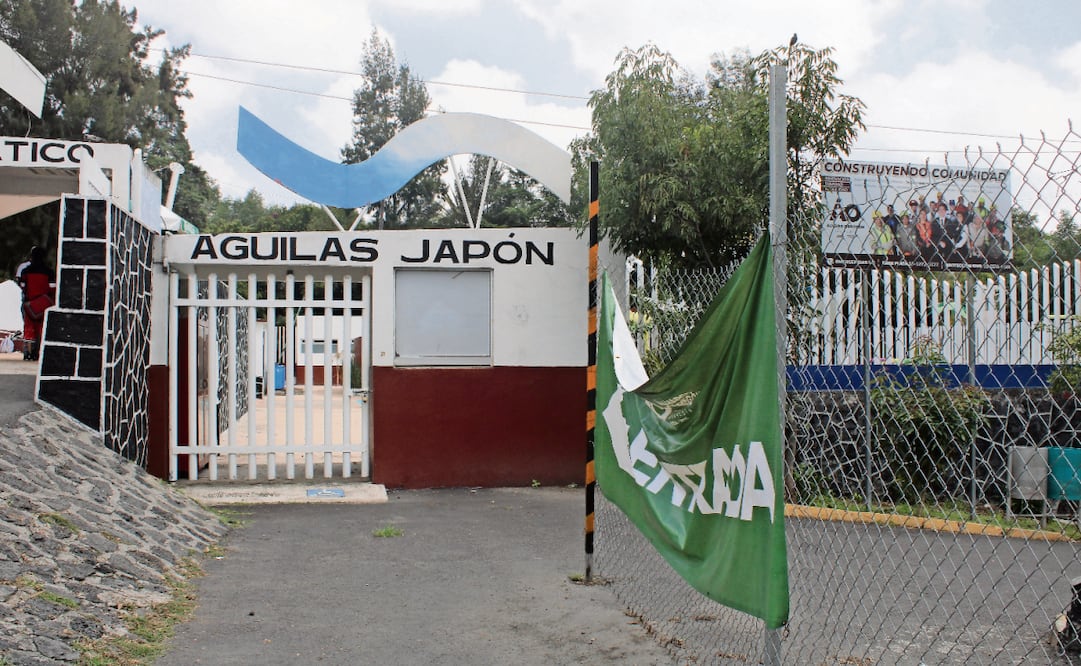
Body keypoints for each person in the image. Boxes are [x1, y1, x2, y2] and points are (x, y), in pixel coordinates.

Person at [15, 247, 55, 361]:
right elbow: (52, 288)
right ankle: (40, 352)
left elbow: (22, 286)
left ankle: (28, 353)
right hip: (44, 304)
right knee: (42, 328)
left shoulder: (25, 271)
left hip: (29, 303)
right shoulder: (49, 272)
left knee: (29, 328)